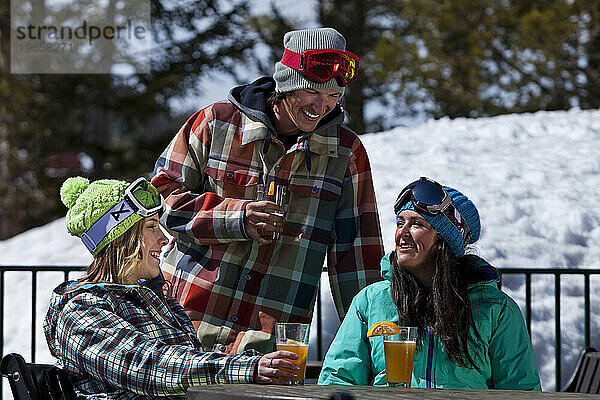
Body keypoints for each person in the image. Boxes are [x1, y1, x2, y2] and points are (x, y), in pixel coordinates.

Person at [152, 27, 384, 354]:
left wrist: (372, 345)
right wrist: (236, 218)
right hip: (182, 327)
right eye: (313, 93)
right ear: (287, 84)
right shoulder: (215, 122)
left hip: (269, 349)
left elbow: (356, 256)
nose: (321, 107)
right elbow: (160, 199)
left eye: (333, 97)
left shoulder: (346, 154)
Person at [44, 177, 301, 399]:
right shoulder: (80, 312)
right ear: (121, 239)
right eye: (152, 227)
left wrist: (254, 364)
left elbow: (184, 365)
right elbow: (147, 365)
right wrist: (248, 369)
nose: (165, 238)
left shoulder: (158, 301)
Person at [318, 177, 542, 390]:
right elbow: (338, 380)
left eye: (416, 224)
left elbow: (521, 391)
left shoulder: (495, 309)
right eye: (399, 222)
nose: (402, 233)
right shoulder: (370, 301)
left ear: (445, 239)